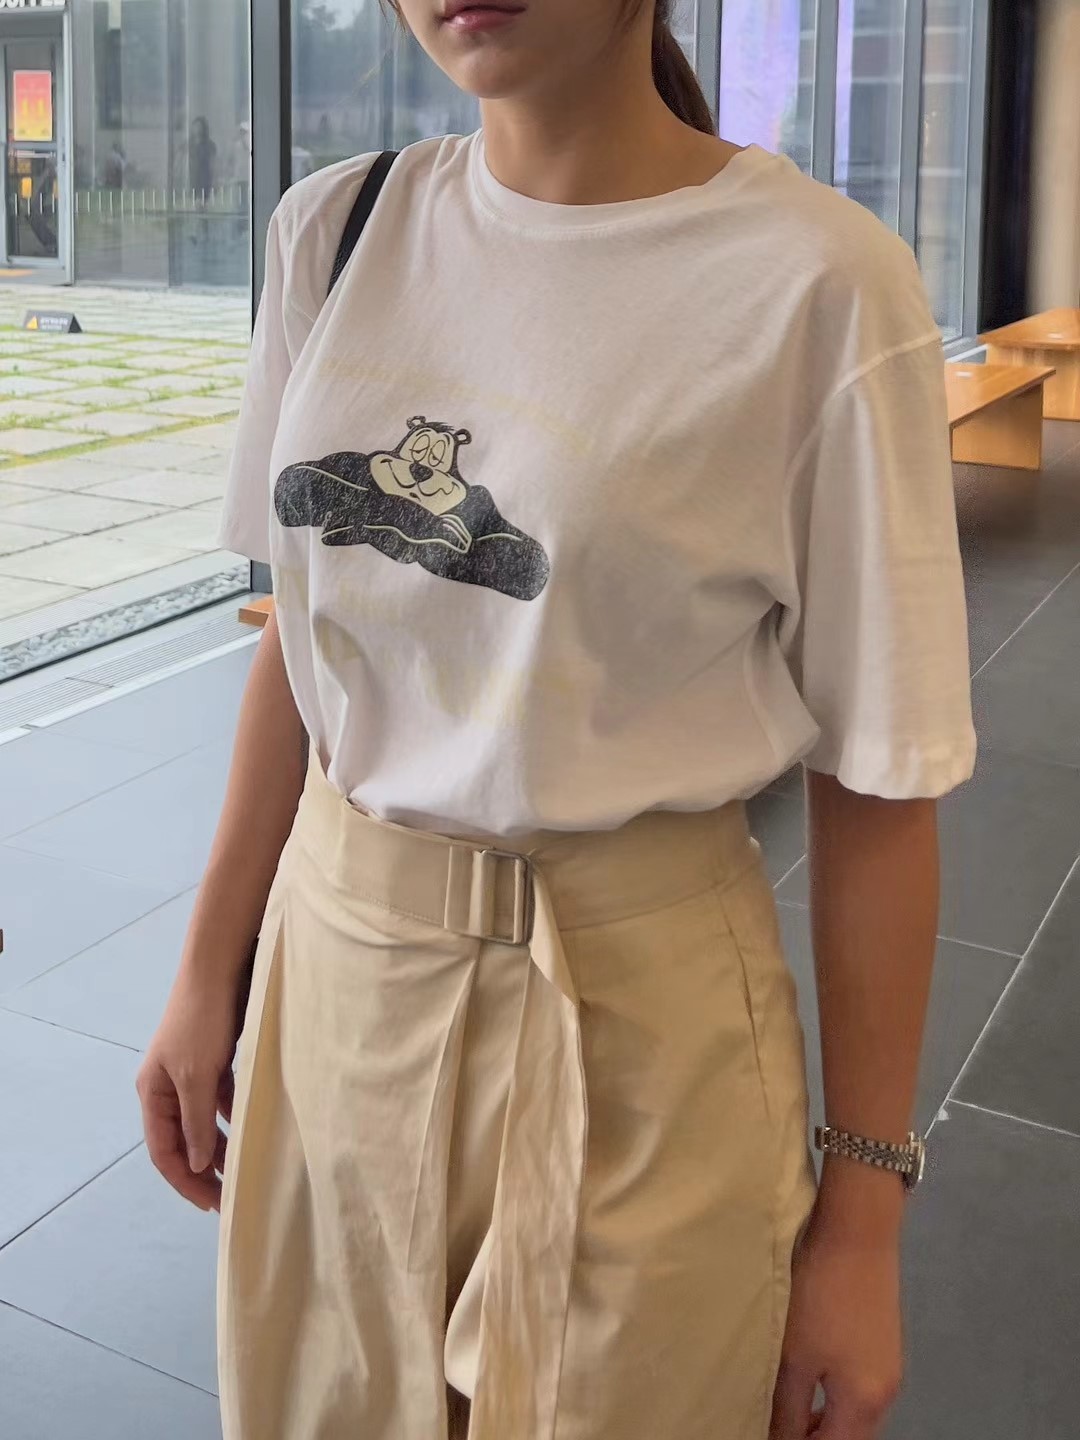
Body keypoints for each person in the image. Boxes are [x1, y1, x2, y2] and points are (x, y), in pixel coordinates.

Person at [137, 3, 976, 1438]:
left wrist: (861, 1221)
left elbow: (881, 785)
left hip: (639, 1026)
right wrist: (208, 968)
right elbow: (310, 631)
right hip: (338, 982)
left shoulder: (819, 285)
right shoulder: (335, 231)